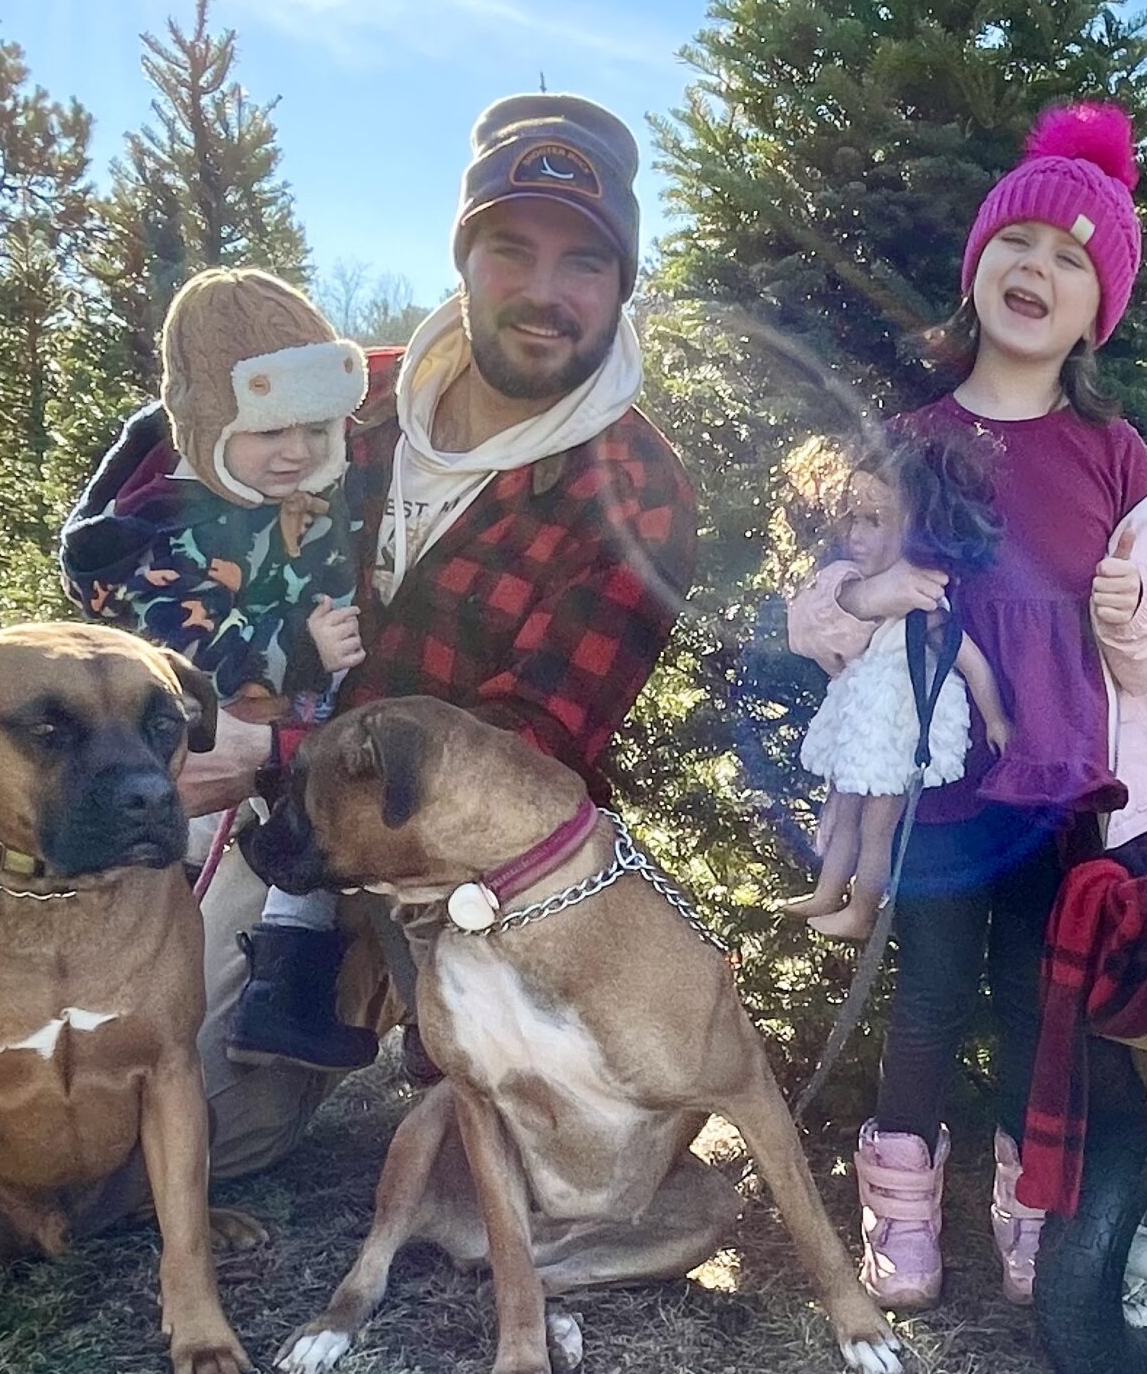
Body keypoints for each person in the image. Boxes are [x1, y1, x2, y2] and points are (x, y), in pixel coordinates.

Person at [58, 92, 695, 1198]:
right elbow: (171, 487)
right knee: (127, 1132)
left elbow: (522, 748)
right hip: (266, 817)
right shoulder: (347, 394)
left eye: (585, 263)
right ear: (464, 256)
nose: (545, 292)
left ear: (621, 283)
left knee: (551, 1182)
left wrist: (275, 744)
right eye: (512, 248)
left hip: (463, 863)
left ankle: (443, 1044)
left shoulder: (638, 489)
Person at [787, 103, 1147, 1309]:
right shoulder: (914, 436)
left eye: (1074, 260)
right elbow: (823, 598)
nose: (1039, 270)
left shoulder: (1111, 450)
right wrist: (867, 590)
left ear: (1096, 309)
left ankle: (1030, 1210)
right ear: (978, 268)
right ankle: (901, 1210)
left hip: (1062, 780)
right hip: (938, 778)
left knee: (1037, 990)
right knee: (926, 986)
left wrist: (1136, 609)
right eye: (1020, 244)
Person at [62, 267, 376, 1071]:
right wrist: (297, 651)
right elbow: (190, 645)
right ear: (209, 427)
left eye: (314, 428)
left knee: (310, 818)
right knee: (281, 821)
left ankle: (284, 987)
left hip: (293, 724)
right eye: (271, 432)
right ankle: (120, 1014)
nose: (297, 450)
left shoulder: (304, 493)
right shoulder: (171, 526)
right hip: (216, 735)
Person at [778, 431, 1012, 940]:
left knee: (875, 826)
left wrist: (995, 719)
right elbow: (822, 638)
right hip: (862, 715)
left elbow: (967, 659)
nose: (857, 535)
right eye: (853, 518)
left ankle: (862, 912)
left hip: (896, 727)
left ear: (911, 528)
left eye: (875, 520)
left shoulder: (923, 598)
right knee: (841, 808)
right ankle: (827, 889)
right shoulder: (852, 584)